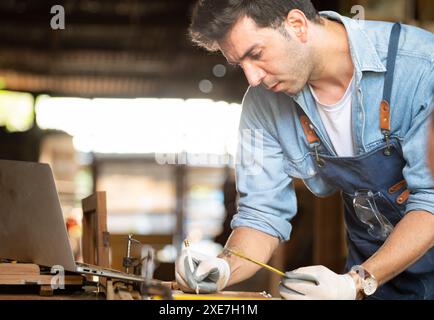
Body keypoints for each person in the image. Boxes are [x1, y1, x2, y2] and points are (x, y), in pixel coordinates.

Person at [175, 0, 434, 300]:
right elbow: (261, 214)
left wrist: (356, 283)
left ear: (297, 25)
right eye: (240, 65)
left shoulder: (421, 67)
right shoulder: (262, 106)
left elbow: (431, 199)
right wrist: (222, 267)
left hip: (368, 277)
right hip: (376, 280)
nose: (252, 78)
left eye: (256, 55)